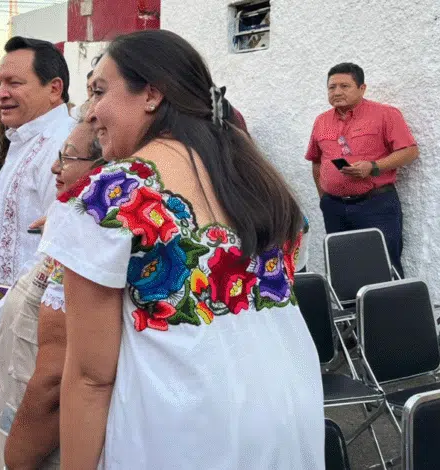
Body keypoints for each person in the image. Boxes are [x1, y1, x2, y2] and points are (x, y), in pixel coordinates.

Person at [39, 30, 324, 469]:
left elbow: (91, 377)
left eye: (99, 90)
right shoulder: (261, 181)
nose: (91, 113)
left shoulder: (111, 195)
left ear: (151, 94)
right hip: (286, 412)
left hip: (181, 427)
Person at [0, 35, 77, 469]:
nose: (0, 93)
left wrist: (3, 312)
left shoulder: (63, 147)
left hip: (33, 328)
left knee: (26, 443)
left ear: (54, 88)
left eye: (14, 82)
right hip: (2, 324)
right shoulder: (20, 140)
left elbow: (57, 250)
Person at [0, 119, 102, 470]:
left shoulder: (89, 239)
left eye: (67, 158)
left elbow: (55, 379)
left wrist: (17, 459)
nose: (55, 167)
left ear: (104, 170)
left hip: (40, 446)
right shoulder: (66, 222)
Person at [305, 62, 418, 276]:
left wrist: (374, 167)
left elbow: (410, 151)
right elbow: (317, 161)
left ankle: (388, 309)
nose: (337, 92)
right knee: (344, 269)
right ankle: (352, 310)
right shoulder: (321, 121)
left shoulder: (385, 114)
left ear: (362, 88)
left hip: (375, 205)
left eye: (344, 86)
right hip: (335, 207)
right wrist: (324, 199)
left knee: (383, 265)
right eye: (332, 87)